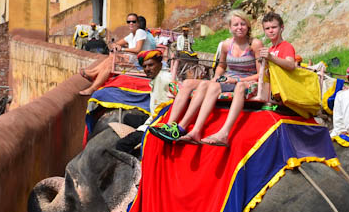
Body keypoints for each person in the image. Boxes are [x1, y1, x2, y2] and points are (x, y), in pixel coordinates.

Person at [149, 10, 265, 146]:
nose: (239, 27)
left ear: (248, 26)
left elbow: (260, 73)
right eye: (235, 25)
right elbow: (221, 66)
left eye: (242, 24)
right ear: (230, 28)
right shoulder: (226, 45)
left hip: (244, 81)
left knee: (209, 86)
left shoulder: (254, 44)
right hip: (226, 80)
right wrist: (216, 76)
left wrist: (236, 80)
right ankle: (169, 125)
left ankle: (183, 128)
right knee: (187, 83)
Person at [78, 13, 157, 96]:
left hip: (140, 62)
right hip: (134, 59)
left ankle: (93, 87)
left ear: (138, 24)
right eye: (129, 22)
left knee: (111, 63)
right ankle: (93, 73)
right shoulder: (132, 35)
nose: (131, 23)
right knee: (111, 58)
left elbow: (137, 49)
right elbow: (117, 43)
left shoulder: (140, 32)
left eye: (133, 22)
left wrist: (122, 49)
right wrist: (116, 46)